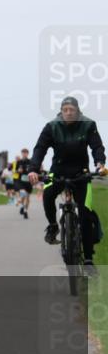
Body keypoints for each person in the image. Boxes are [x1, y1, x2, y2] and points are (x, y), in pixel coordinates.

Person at [28, 96, 106, 274]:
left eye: (72, 109)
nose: (69, 112)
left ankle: (87, 259)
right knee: (47, 194)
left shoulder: (88, 125)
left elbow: (97, 147)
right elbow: (40, 148)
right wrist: (33, 169)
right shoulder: (52, 126)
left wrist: (100, 163)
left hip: (81, 173)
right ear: (61, 112)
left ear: (77, 111)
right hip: (59, 171)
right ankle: (53, 226)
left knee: (85, 214)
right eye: (65, 110)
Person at [12, 148, 32, 219]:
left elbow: (34, 170)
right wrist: (18, 171)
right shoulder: (19, 162)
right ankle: (23, 207)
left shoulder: (30, 161)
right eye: (23, 153)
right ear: (21, 153)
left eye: (25, 153)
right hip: (21, 180)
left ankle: (25, 210)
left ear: (27, 154)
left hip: (29, 181)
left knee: (27, 197)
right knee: (23, 193)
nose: (24, 154)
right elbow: (16, 170)